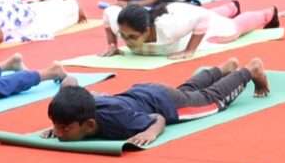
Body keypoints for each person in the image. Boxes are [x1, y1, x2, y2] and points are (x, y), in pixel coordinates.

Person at [44, 59, 270, 146]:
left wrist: (152, 132)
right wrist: (58, 125)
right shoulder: (80, 105)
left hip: (164, 103)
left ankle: (249, 71)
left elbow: (157, 118)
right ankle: (222, 69)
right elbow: (71, 82)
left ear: (90, 125)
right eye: (57, 125)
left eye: (65, 128)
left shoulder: (119, 121)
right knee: (189, 91)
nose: (59, 132)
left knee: (210, 101)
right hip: (146, 92)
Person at [103, 0, 278, 61]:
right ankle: (231, 7)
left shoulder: (169, 29)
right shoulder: (121, 24)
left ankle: (267, 13)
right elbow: (107, 13)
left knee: (232, 30)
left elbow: (202, 20)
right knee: (202, 15)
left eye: (132, 37)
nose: (127, 40)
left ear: (147, 31)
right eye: (123, 35)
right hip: (180, 14)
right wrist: (112, 44)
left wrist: (189, 51)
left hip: (190, 20)